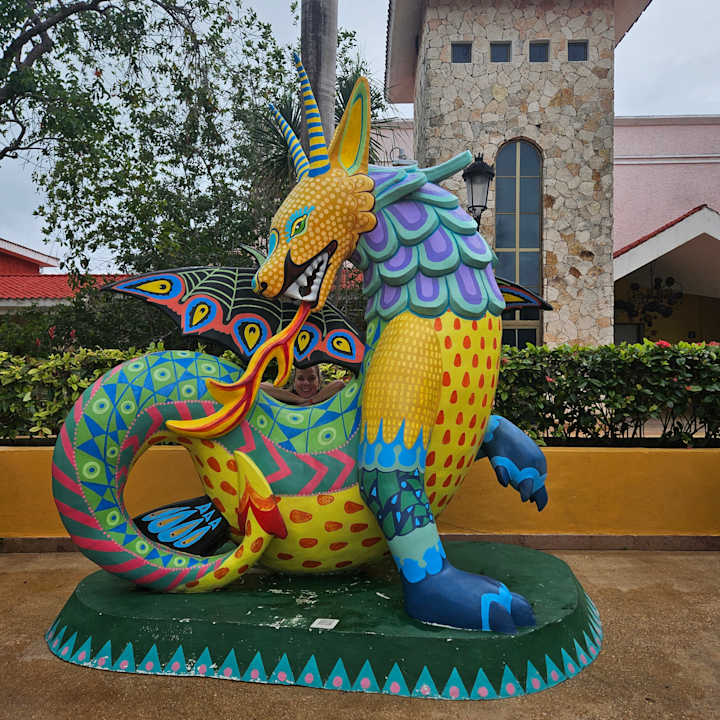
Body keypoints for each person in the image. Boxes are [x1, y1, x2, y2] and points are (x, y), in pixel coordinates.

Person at [260, 365, 347, 406]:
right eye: (301, 378)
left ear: (319, 382)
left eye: (311, 378)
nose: (306, 383)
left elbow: (340, 385)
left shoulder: (326, 399)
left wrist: (312, 401)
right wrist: (299, 400)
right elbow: (261, 386)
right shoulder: (285, 400)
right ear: (294, 382)